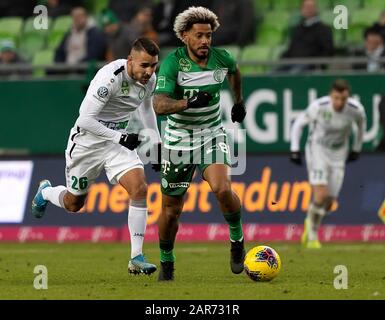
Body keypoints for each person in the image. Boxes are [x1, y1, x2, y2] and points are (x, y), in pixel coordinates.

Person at [32, 38, 161, 275]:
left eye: (153, 65)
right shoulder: (109, 77)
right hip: (87, 143)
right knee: (74, 204)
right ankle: (46, 192)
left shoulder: (149, 80)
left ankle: (136, 257)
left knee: (140, 189)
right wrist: (119, 138)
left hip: (116, 143)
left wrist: (157, 142)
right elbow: (85, 119)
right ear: (130, 60)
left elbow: (146, 109)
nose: (149, 71)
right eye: (144, 65)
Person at [153, 6, 247, 281]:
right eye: (199, 36)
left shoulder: (222, 58)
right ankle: (167, 261)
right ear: (184, 36)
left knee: (221, 187)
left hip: (211, 133)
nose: (205, 41)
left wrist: (238, 101)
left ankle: (237, 240)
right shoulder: (173, 63)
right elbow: (158, 104)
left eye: (208, 36)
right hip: (178, 139)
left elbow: (235, 72)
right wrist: (187, 102)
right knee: (171, 211)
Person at [290, 79, 367, 249]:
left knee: (330, 201)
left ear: (348, 98)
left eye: (343, 99)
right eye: (336, 98)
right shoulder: (319, 106)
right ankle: (312, 235)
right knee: (321, 195)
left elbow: (361, 128)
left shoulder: (356, 110)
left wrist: (356, 149)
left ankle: (310, 220)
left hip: (339, 154)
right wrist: (294, 149)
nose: (339, 102)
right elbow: (298, 125)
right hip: (318, 150)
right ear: (331, 95)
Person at [277, 0, 334, 73]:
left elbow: (328, 51)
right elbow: (291, 49)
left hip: (310, 66)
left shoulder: (324, 29)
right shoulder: (297, 29)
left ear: (316, 9)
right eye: (306, 7)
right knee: (270, 76)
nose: (308, 10)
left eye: (311, 7)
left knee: (293, 74)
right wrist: (283, 57)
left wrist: (314, 63)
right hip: (291, 63)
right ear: (301, 9)